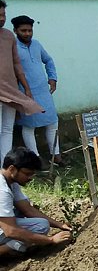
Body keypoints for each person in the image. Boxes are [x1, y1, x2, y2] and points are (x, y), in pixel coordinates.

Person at [0, 147, 71, 258]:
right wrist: (50, 240)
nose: (30, 178)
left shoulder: (11, 182)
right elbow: (11, 230)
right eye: (27, 174)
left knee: (22, 209)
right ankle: (7, 248)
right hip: (8, 229)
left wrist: (59, 224)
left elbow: (27, 209)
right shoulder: (2, 191)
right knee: (41, 226)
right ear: (12, 169)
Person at [11, 15, 63, 166]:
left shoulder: (37, 45)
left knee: (52, 122)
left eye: (30, 30)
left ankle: (57, 156)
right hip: (24, 92)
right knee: (29, 126)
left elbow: (48, 60)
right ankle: (36, 158)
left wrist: (52, 78)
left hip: (43, 91)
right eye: (23, 30)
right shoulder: (12, 47)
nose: (27, 33)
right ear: (15, 30)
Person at [0, 0, 42, 161]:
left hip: (10, 89)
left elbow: (16, 63)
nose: (2, 18)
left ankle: (5, 163)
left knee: (7, 129)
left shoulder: (8, 36)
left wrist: (26, 89)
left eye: (3, 14)